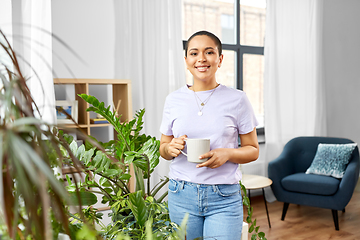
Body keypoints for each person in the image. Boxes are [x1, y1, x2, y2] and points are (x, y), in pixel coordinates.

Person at [159, 30, 259, 240]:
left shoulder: (238, 99)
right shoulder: (173, 100)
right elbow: (163, 147)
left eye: (209, 52)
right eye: (194, 53)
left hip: (223, 196)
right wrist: (170, 148)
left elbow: (253, 150)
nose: (201, 59)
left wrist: (227, 154)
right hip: (181, 194)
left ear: (220, 59)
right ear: (186, 60)